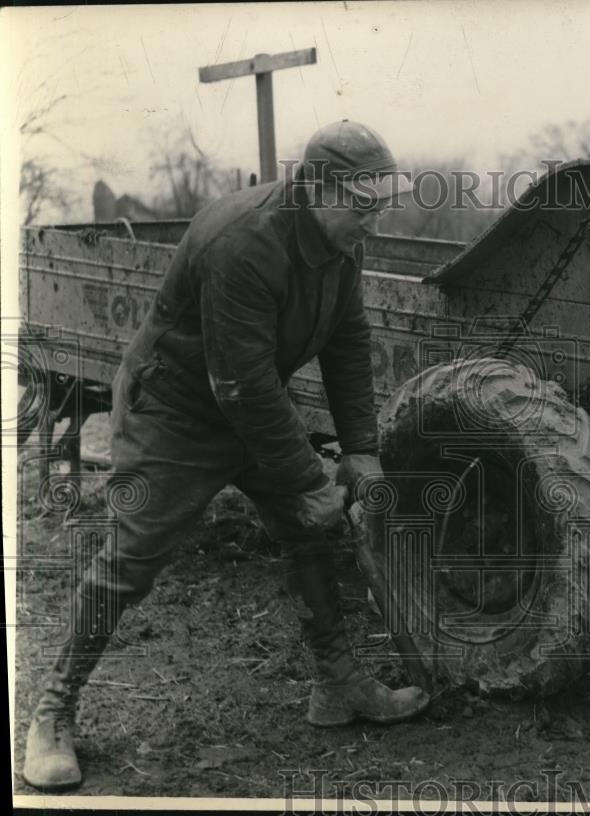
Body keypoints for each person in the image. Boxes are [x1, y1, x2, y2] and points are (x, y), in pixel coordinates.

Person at [22, 121, 429, 792]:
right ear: (318, 189)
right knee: (134, 554)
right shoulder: (244, 241)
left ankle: (339, 686)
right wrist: (307, 476)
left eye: (380, 207)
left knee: (311, 528)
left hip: (251, 401)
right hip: (176, 413)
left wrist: (360, 450)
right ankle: (53, 709)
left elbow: (348, 341)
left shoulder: (339, 240)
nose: (374, 224)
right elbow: (236, 381)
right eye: (364, 207)